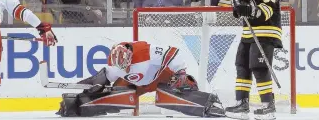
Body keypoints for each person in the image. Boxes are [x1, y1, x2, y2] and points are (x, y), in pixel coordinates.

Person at [55, 41, 226, 117]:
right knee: (114, 95)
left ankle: (206, 104)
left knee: (171, 92)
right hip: (137, 84)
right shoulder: (114, 62)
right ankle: (74, 105)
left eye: (126, 65)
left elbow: (173, 53)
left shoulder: (145, 51)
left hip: (159, 77)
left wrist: (180, 73)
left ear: (130, 57)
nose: (124, 68)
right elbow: (104, 77)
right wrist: (91, 85)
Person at [225, 0, 281, 120]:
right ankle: (242, 104)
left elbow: (267, 10)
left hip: (265, 33)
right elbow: (243, 10)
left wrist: (249, 10)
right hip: (248, 34)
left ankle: (268, 106)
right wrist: (237, 8)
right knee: (242, 66)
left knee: (259, 68)